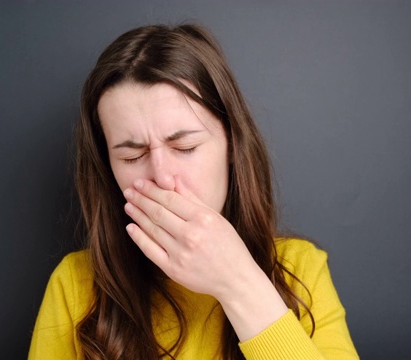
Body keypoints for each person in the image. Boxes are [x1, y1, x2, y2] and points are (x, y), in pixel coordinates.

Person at [29, 24, 358, 360]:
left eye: (185, 147)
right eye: (132, 156)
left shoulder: (299, 271)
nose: (163, 179)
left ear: (232, 145)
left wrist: (237, 283)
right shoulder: (75, 285)